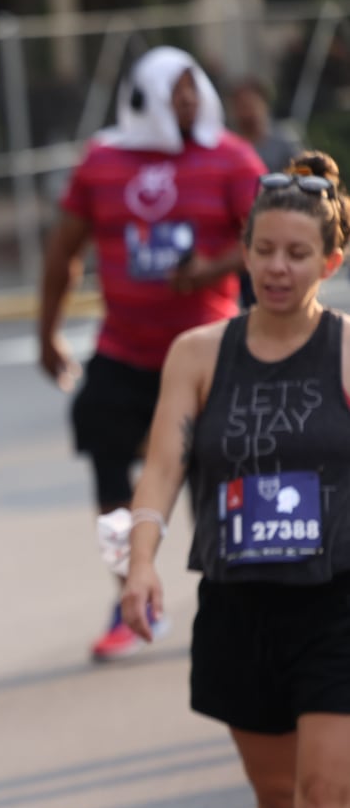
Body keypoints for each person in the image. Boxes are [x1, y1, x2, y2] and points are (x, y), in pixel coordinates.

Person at [119, 151, 350, 808]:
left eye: (296, 255)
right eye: (263, 252)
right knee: (278, 800)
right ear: (243, 248)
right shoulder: (199, 353)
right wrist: (140, 561)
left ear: (331, 259)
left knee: (326, 802)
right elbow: (159, 468)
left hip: (334, 602)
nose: (276, 270)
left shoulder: (347, 352)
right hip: (236, 603)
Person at [37, 46, 266, 663]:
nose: (189, 100)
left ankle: (232, 604)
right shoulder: (103, 161)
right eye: (175, 90)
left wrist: (212, 268)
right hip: (125, 353)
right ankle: (128, 598)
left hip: (210, 355)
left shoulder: (229, 157)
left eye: (194, 88)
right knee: (111, 479)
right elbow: (64, 252)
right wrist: (47, 333)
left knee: (216, 486)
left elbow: (267, 239)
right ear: (141, 95)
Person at [227, 75, 305, 308]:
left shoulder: (284, 141)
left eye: (251, 104)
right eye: (240, 106)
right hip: (240, 237)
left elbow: (303, 180)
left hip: (280, 230)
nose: (246, 112)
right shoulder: (228, 145)